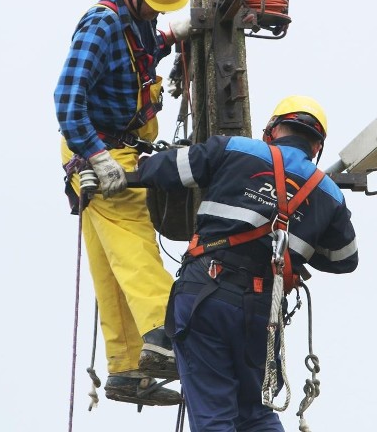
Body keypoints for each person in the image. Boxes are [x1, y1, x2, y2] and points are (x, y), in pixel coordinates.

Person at [136, 95, 358, 431]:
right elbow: (345, 259)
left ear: (272, 130)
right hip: (262, 312)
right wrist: (307, 229)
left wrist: (123, 170)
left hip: (205, 296)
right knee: (255, 412)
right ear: (317, 148)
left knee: (214, 413)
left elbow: (164, 169)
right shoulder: (328, 192)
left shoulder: (235, 149)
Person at [54, 0, 193, 406]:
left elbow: (141, 53)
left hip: (111, 151)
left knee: (110, 266)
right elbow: (67, 99)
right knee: (135, 242)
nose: (156, 11)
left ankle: (127, 368)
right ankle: (165, 330)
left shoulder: (138, 20)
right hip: (101, 155)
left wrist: (172, 36)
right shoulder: (102, 24)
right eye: (153, 4)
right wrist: (96, 157)